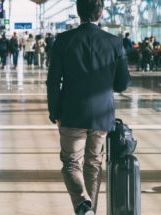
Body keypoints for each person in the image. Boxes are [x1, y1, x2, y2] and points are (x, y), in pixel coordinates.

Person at [46, 0, 130, 214]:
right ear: (101, 13)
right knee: (93, 165)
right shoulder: (114, 42)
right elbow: (122, 84)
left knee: (71, 163)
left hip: (71, 113)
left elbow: (53, 80)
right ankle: (89, 208)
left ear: (78, 12)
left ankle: (83, 205)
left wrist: (54, 111)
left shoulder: (63, 40)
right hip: (102, 115)